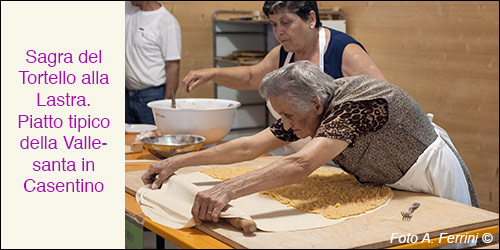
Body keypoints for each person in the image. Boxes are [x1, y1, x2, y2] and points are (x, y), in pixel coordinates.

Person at [142, 61, 479, 225]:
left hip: (431, 174)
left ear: (317, 103)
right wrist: (177, 162)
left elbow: (301, 164)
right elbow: (247, 147)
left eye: (289, 116)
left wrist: (227, 190)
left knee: (452, 239)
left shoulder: (358, 104)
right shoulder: (307, 110)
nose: (286, 125)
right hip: (394, 181)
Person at [182, 1, 385, 154]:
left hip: (342, 158)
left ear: (311, 19)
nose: (279, 31)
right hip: (294, 156)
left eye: (286, 23)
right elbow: (252, 77)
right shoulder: (283, 53)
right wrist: (213, 73)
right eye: (273, 24)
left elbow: (384, 99)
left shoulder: (344, 51)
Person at [125, 1, 181, 124]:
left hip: (152, 95)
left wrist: (165, 104)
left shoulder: (167, 22)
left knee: (153, 139)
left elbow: (173, 66)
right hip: (126, 94)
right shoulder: (128, 9)